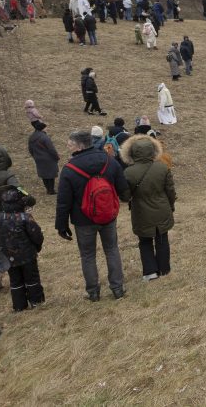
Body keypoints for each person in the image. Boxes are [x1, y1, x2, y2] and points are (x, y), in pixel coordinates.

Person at [55, 129, 131, 301]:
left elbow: (63, 201)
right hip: (107, 215)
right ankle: (117, 288)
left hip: (83, 220)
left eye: (70, 144)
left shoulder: (69, 169)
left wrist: (61, 225)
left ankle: (93, 292)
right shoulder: (109, 160)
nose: (68, 146)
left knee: (87, 255)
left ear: (80, 145)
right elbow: (123, 188)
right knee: (112, 250)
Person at [120, 135, 176, 281]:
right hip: (162, 208)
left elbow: (125, 196)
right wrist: (171, 206)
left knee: (144, 241)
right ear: (153, 150)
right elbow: (170, 191)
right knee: (162, 239)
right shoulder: (163, 167)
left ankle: (150, 272)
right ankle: (164, 269)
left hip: (141, 211)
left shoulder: (128, 172)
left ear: (131, 152)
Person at [0, 187, 45, 311]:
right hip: (27, 255)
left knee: (15, 281)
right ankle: (36, 302)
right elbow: (37, 235)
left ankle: (19, 306)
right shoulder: (25, 217)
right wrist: (37, 246)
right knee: (32, 278)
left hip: (9, 257)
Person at [28, 121, 59, 194]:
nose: (47, 129)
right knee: (51, 174)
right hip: (48, 158)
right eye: (46, 127)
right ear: (42, 128)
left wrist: (35, 156)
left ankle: (48, 189)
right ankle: (51, 190)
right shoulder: (45, 137)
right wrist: (56, 156)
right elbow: (51, 149)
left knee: (44, 174)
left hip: (38, 158)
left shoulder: (31, 137)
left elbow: (30, 149)